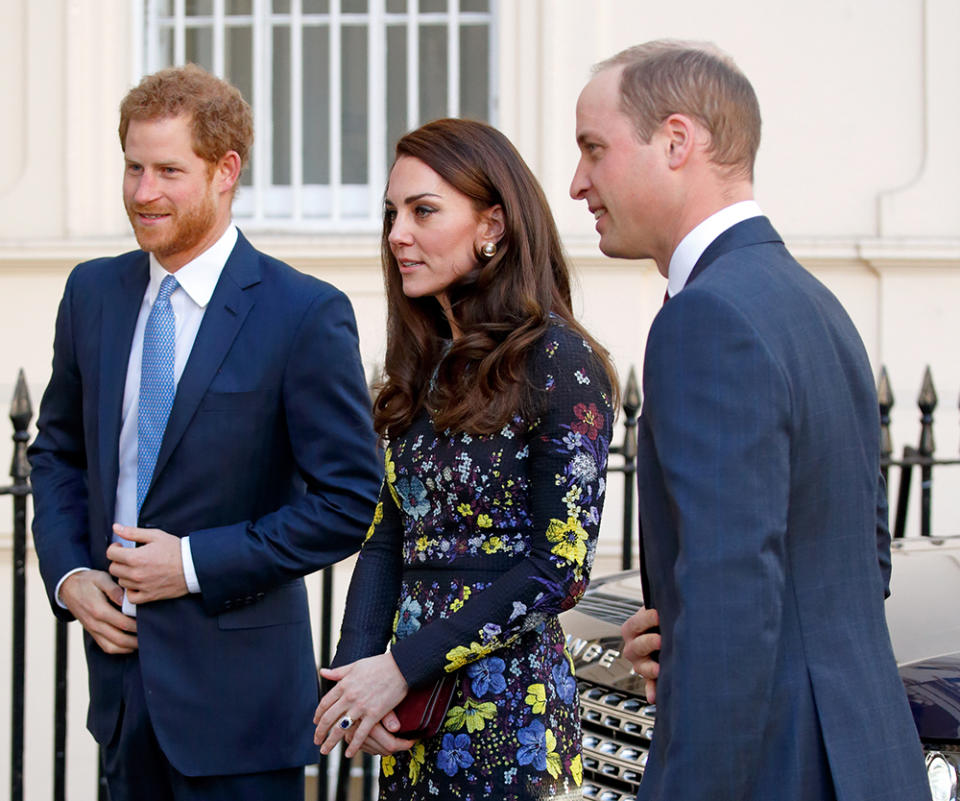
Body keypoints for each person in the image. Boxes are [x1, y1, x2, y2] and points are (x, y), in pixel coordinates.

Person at [570, 41, 931, 801]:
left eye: (594, 151)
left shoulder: (706, 317)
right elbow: (859, 561)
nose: (578, 184)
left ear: (676, 141)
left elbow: (737, 604)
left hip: (776, 767)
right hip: (864, 757)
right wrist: (681, 624)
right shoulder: (816, 304)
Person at [28, 64, 381, 801]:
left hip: (242, 715)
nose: (142, 192)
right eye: (132, 167)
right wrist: (69, 577)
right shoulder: (91, 293)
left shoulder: (303, 313)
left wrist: (191, 563)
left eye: (167, 170)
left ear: (226, 172)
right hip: (123, 698)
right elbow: (56, 451)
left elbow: (349, 501)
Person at [311, 118, 617, 800]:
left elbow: (558, 569)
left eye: (423, 211)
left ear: (493, 226)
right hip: (409, 715)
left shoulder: (560, 362)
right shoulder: (424, 369)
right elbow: (386, 538)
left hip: (511, 717)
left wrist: (399, 665)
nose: (397, 234)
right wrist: (357, 669)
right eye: (392, 213)